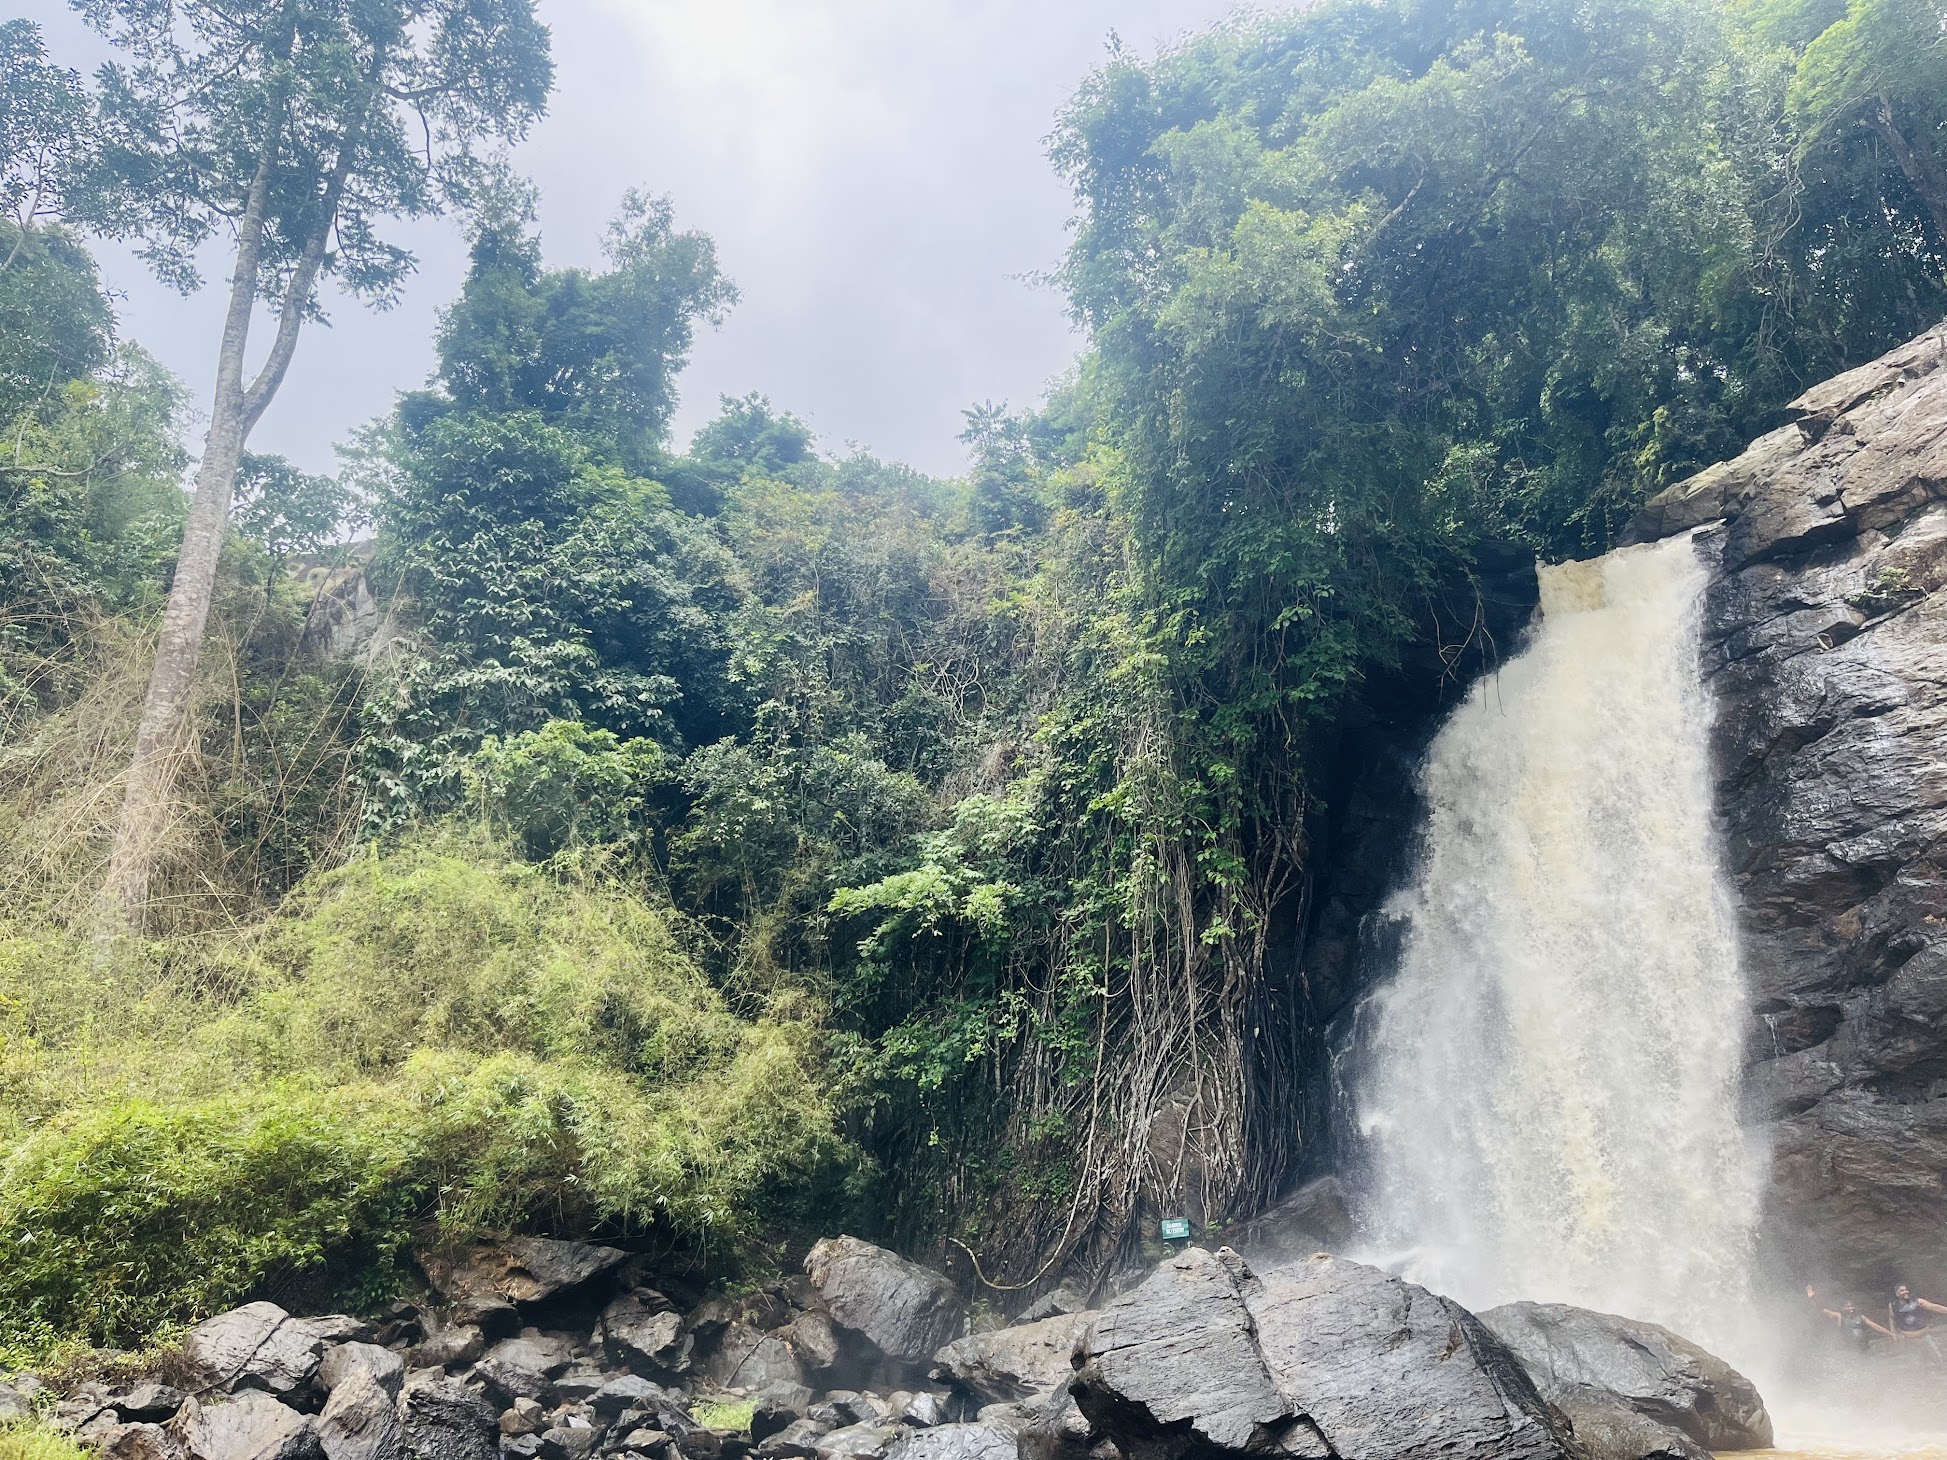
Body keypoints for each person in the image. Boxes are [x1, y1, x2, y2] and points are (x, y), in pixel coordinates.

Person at [1820, 1297, 1891, 1351]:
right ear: (1842, 1308)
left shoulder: (1861, 1317)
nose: (1851, 1308)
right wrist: (1812, 1299)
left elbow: (1875, 1326)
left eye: (1852, 1306)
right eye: (1848, 1306)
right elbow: (1823, 1310)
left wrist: (1890, 1334)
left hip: (1862, 1346)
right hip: (1847, 1347)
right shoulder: (1839, 1316)